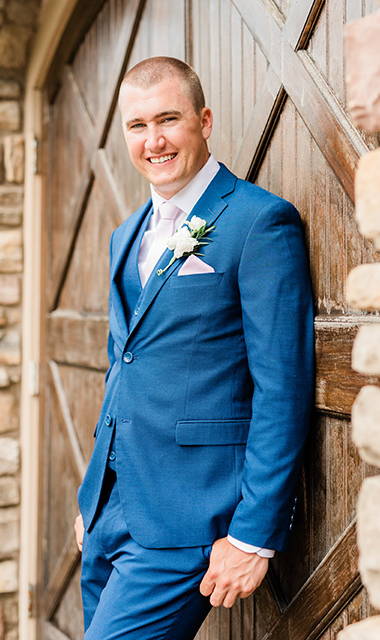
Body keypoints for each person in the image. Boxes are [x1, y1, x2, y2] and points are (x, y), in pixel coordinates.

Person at [74, 56, 314, 639]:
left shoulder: (259, 223)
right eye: (137, 126)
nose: (153, 141)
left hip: (187, 518)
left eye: (168, 120)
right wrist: (94, 495)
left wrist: (254, 533)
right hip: (110, 515)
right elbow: (122, 365)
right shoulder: (125, 235)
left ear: (203, 121)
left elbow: (283, 388)